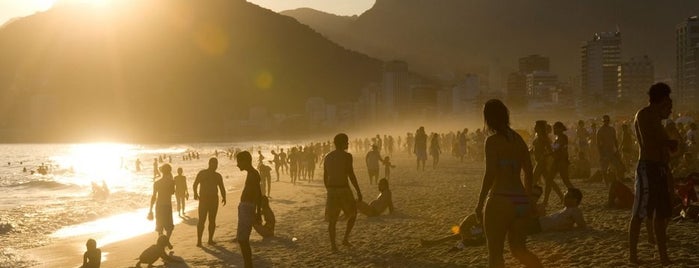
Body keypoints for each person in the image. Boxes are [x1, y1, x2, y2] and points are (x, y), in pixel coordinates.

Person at [474, 99, 542, 268]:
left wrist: (480, 202)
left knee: (495, 255)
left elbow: (490, 173)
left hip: (500, 199)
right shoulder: (518, 139)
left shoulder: (492, 141)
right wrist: (528, 198)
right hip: (519, 200)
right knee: (519, 250)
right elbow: (529, 170)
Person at [628, 82, 677, 265]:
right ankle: (633, 255)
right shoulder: (645, 115)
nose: (670, 110)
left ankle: (663, 255)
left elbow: (667, 147)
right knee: (640, 213)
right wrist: (669, 142)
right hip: (648, 168)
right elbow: (653, 141)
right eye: (669, 106)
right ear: (662, 100)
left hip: (659, 168)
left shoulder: (657, 120)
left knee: (662, 213)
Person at [324, 133, 363, 252]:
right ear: (342, 143)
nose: (348, 144)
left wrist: (329, 190)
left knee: (332, 220)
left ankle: (333, 246)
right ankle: (345, 239)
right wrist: (358, 191)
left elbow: (325, 177)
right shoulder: (347, 156)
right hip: (343, 189)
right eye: (346, 142)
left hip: (331, 190)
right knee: (353, 214)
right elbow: (351, 174)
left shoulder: (328, 156)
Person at [235, 151, 263, 268]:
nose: (237, 165)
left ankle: (248, 265)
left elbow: (258, 194)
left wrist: (258, 212)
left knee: (243, 239)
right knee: (242, 239)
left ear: (245, 161)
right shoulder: (251, 173)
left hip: (248, 208)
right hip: (246, 207)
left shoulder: (253, 174)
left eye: (239, 162)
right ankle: (248, 265)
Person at [193, 158, 226, 247]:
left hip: (214, 199)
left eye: (216, 164)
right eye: (213, 164)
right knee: (201, 220)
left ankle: (210, 239)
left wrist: (224, 196)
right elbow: (195, 184)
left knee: (212, 220)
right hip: (203, 199)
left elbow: (222, 187)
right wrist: (195, 193)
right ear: (209, 164)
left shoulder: (218, 176)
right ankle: (199, 241)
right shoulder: (202, 173)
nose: (215, 166)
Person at [543, 122, 574, 207]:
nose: (554, 130)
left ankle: (575, 197)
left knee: (566, 181)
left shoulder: (563, 137)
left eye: (555, 128)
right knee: (549, 180)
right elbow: (554, 149)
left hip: (562, 161)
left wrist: (548, 152)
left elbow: (556, 148)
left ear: (560, 128)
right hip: (557, 161)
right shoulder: (559, 137)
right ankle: (545, 200)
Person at [420, 214, 485, 250]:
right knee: (454, 237)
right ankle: (430, 243)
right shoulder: (477, 218)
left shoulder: (478, 217)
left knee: (453, 238)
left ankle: (431, 243)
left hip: (476, 229)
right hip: (473, 229)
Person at [149, 164, 175, 244]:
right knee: (169, 227)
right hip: (167, 205)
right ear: (169, 171)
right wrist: (171, 180)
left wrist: (150, 210)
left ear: (162, 171)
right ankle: (166, 241)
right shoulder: (171, 182)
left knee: (160, 227)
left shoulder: (157, 183)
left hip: (159, 206)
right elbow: (172, 192)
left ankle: (162, 243)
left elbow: (153, 196)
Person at [597, 115, 626, 180]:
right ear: (603, 121)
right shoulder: (600, 130)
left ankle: (618, 179)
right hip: (604, 151)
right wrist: (601, 153)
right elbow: (598, 143)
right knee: (604, 168)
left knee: (618, 166)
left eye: (607, 120)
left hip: (612, 151)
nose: (606, 122)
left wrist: (617, 149)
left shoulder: (612, 129)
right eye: (605, 121)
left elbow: (615, 140)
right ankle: (606, 181)